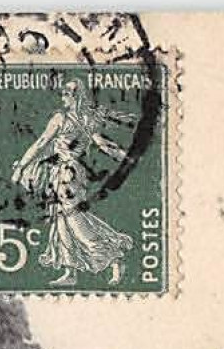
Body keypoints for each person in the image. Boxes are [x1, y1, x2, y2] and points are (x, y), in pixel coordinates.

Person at [10, 74, 135, 287]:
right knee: (61, 219)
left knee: (73, 219)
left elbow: (41, 143)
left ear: (76, 96)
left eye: (67, 94)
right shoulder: (88, 120)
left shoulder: (61, 119)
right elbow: (103, 144)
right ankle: (70, 271)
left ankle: (113, 257)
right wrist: (126, 157)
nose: (63, 98)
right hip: (67, 172)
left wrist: (21, 167)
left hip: (66, 174)